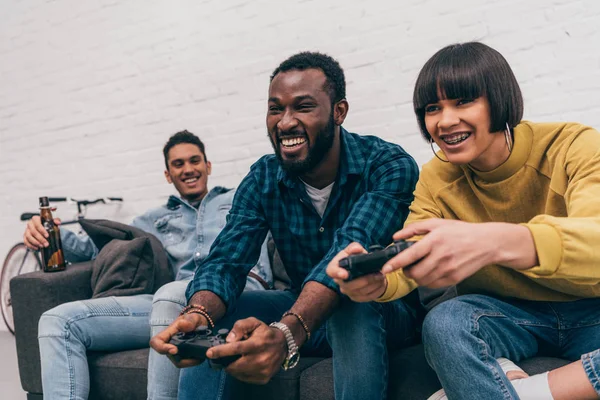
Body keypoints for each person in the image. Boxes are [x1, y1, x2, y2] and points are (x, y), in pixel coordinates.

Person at [327, 41, 600, 400]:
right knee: (445, 322)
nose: (445, 121)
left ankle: (528, 393)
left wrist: (496, 242)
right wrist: (378, 284)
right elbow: (413, 255)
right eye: (432, 108)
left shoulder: (573, 146)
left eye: (463, 101)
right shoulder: (437, 178)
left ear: (500, 99)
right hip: (508, 315)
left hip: (591, 308)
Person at [150, 51, 420, 400]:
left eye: (303, 107)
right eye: (275, 109)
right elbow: (227, 261)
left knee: (352, 295)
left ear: (339, 111)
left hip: (381, 311)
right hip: (300, 305)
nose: (285, 122)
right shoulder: (263, 176)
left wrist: (286, 333)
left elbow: (348, 251)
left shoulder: (387, 166)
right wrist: (199, 314)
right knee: (210, 322)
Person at [24, 130, 273, 400]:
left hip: (235, 291)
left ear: (207, 165)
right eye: (178, 164)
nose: (188, 169)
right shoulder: (151, 219)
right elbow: (92, 247)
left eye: (195, 160)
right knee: (57, 321)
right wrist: (49, 233)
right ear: (168, 175)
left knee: (170, 293)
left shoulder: (240, 199)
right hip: (168, 307)